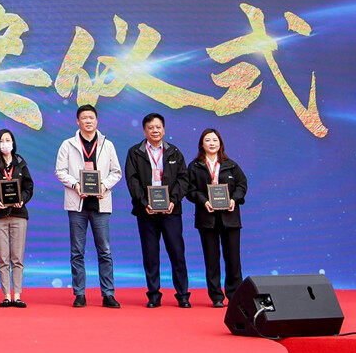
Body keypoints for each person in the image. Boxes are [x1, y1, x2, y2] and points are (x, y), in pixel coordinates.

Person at [54, 104, 122, 309]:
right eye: (84, 117)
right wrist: (76, 185)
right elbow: (60, 171)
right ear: (78, 121)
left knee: (105, 251)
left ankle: (108, 294)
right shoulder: (68, 144)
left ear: (97, 120)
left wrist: (104, 185)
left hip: (101, 204)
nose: (88, 121)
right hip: (77, 205)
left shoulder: (107, 144)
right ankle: (79, 294)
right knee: (77, 251)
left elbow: (116, 172)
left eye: (91, 117)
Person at [124, 113, 192, 308]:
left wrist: (173, 201)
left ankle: (183, 295)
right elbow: (132, 180)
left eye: (158, 127)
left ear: (164, 129)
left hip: (171, 211)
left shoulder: (174, 152)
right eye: (151, 127)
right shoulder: (135, 152)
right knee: (150, 254)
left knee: (177, 253)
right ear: (144, 131)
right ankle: (153, 295)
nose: (155, 130)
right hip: (146, 212)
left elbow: (183, 179)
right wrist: (145, 202)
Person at [185, 128, 248, 308]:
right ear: (201, 144)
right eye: (208, 140)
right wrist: (204, 201)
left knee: (233, 259)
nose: (212, 143)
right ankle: (216, 296)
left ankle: (235, 295)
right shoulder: (195, 166)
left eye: (215, 140)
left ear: (220, 143)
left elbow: (242, 185)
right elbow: (190, 190)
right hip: (207, 219)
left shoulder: (231, 165)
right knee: (211, 259)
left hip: (230, 218)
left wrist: (234, 199)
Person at [0, 128, 34, 308]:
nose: (5, 143)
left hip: (18, 214)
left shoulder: (21, 163)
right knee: (3, 258)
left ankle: (17, 295)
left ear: (13, 143)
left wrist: (22, 199)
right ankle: (6, 295)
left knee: (17, 258)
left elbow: (28, 187)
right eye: (2, 141)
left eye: (8, 140)